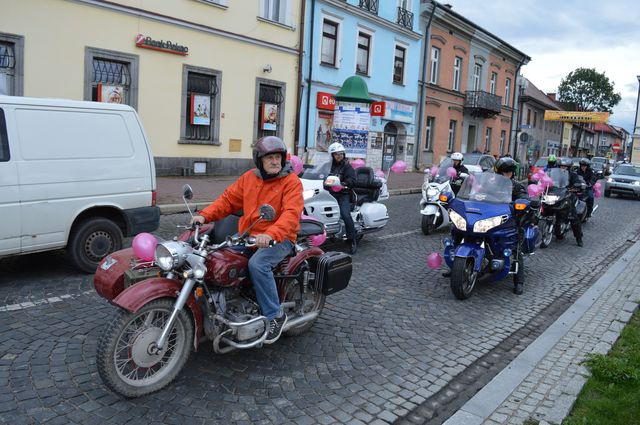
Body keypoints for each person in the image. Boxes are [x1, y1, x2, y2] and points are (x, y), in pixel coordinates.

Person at [190, 136, 303, 344]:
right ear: (259, 160)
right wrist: (204, 215)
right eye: (269, 157)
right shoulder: (249, 178)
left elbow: (291, 214)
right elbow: (227, 200)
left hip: (280, 238)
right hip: (249, 236)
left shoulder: (291, 182)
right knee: (215, 256)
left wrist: (270, 235)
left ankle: (275, 315)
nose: (275, 161)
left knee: (258, 264)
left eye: (278, 157)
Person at [327, 142, 357, 254]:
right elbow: (321, 174)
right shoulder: (328, 166)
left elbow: (352, 181)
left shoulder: (347, 167)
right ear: (332, 155)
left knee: (345, 214)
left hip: (342, 194)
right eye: (336, 154)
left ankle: (351, 239)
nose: (339, 156)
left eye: (341, 153)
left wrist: (343, 183)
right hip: (328, 194)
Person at [558, 157, 584, 247]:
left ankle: (579, 238)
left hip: (568, 196)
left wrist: (575, 187)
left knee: (573, 216)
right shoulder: (555, 174)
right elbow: (548, 182)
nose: (563, 168)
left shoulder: (573, 175)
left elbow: (577, 183)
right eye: (561, 166)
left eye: (565, 167)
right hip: (556, 195)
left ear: (568, 167)